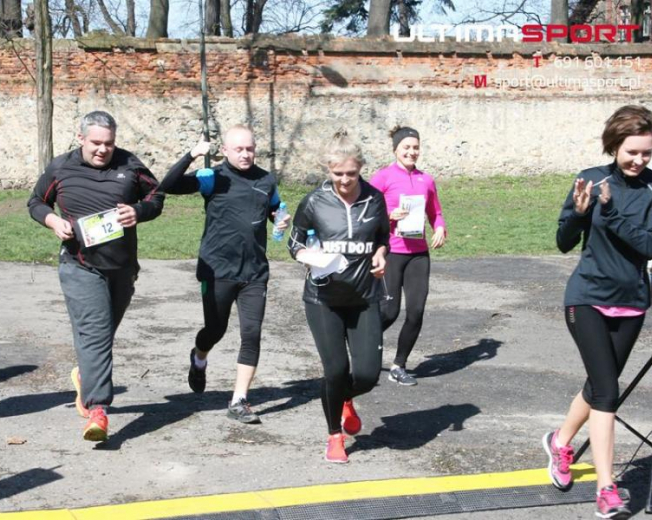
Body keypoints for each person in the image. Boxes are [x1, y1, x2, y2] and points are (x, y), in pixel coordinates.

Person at [545, 105, 652, 519]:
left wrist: (611, 213)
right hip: (586, 298)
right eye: (631, 152)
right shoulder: (590, 177)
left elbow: (650, 246)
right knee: (609, 393)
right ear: (614, 145)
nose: (638, 160)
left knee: (602, 386)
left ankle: (561, 442)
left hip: (632, 302)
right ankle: (607, 490)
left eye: (646, 153)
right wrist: (580, 213)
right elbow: (564, 241)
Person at [28, 111, 164, 442]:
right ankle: (98, 410)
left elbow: (156, 197)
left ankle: (85, 374)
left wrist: (139, 211)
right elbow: (35, 202)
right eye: (96, 143)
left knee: (101, 335)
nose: (103, 150)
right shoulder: (61, 168)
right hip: (79, 265)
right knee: (96, 335)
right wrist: (52, 221)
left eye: (109, 143)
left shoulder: (130, 165)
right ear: (80, 139)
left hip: (121, 268)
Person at [159, 125, 290, 424]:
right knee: (214, 331)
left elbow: (274, 208)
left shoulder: (266, 179)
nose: (245, 154)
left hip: (255, 272)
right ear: (226, 151)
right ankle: (199, 357)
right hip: (217, 270)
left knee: (252, 334)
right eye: (239, 149)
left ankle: (239, 400)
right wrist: (192, 155)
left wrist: (279, 219)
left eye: (250, 149)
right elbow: (167, 185)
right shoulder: (212, 177)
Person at [288, 130, 390, 463]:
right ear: (327, 170)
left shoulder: (375, 199)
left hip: (364, 297)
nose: (345, 180)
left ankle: (345, 398)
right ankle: (335, 436)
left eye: (351, 173)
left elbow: (382, 238)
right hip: (323, 300)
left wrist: (381, 255)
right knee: (335, 371)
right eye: (337, 174)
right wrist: (307, 256)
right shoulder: (315, 201)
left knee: (368, 375)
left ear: (360, 168)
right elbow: (294, 242)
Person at [370, 126, 446, 386]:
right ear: (396, 150)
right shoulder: (382, 178)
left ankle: (398, 365)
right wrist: (387, 217)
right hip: (391, 252)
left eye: (415, 147)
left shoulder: (427, 180)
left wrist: (439, 227)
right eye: (406, 147)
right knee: (389, 312)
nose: (411, 152)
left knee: (416, 312)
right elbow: (366, 212)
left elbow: (435, 211)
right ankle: (361, 344)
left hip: (418, 254)